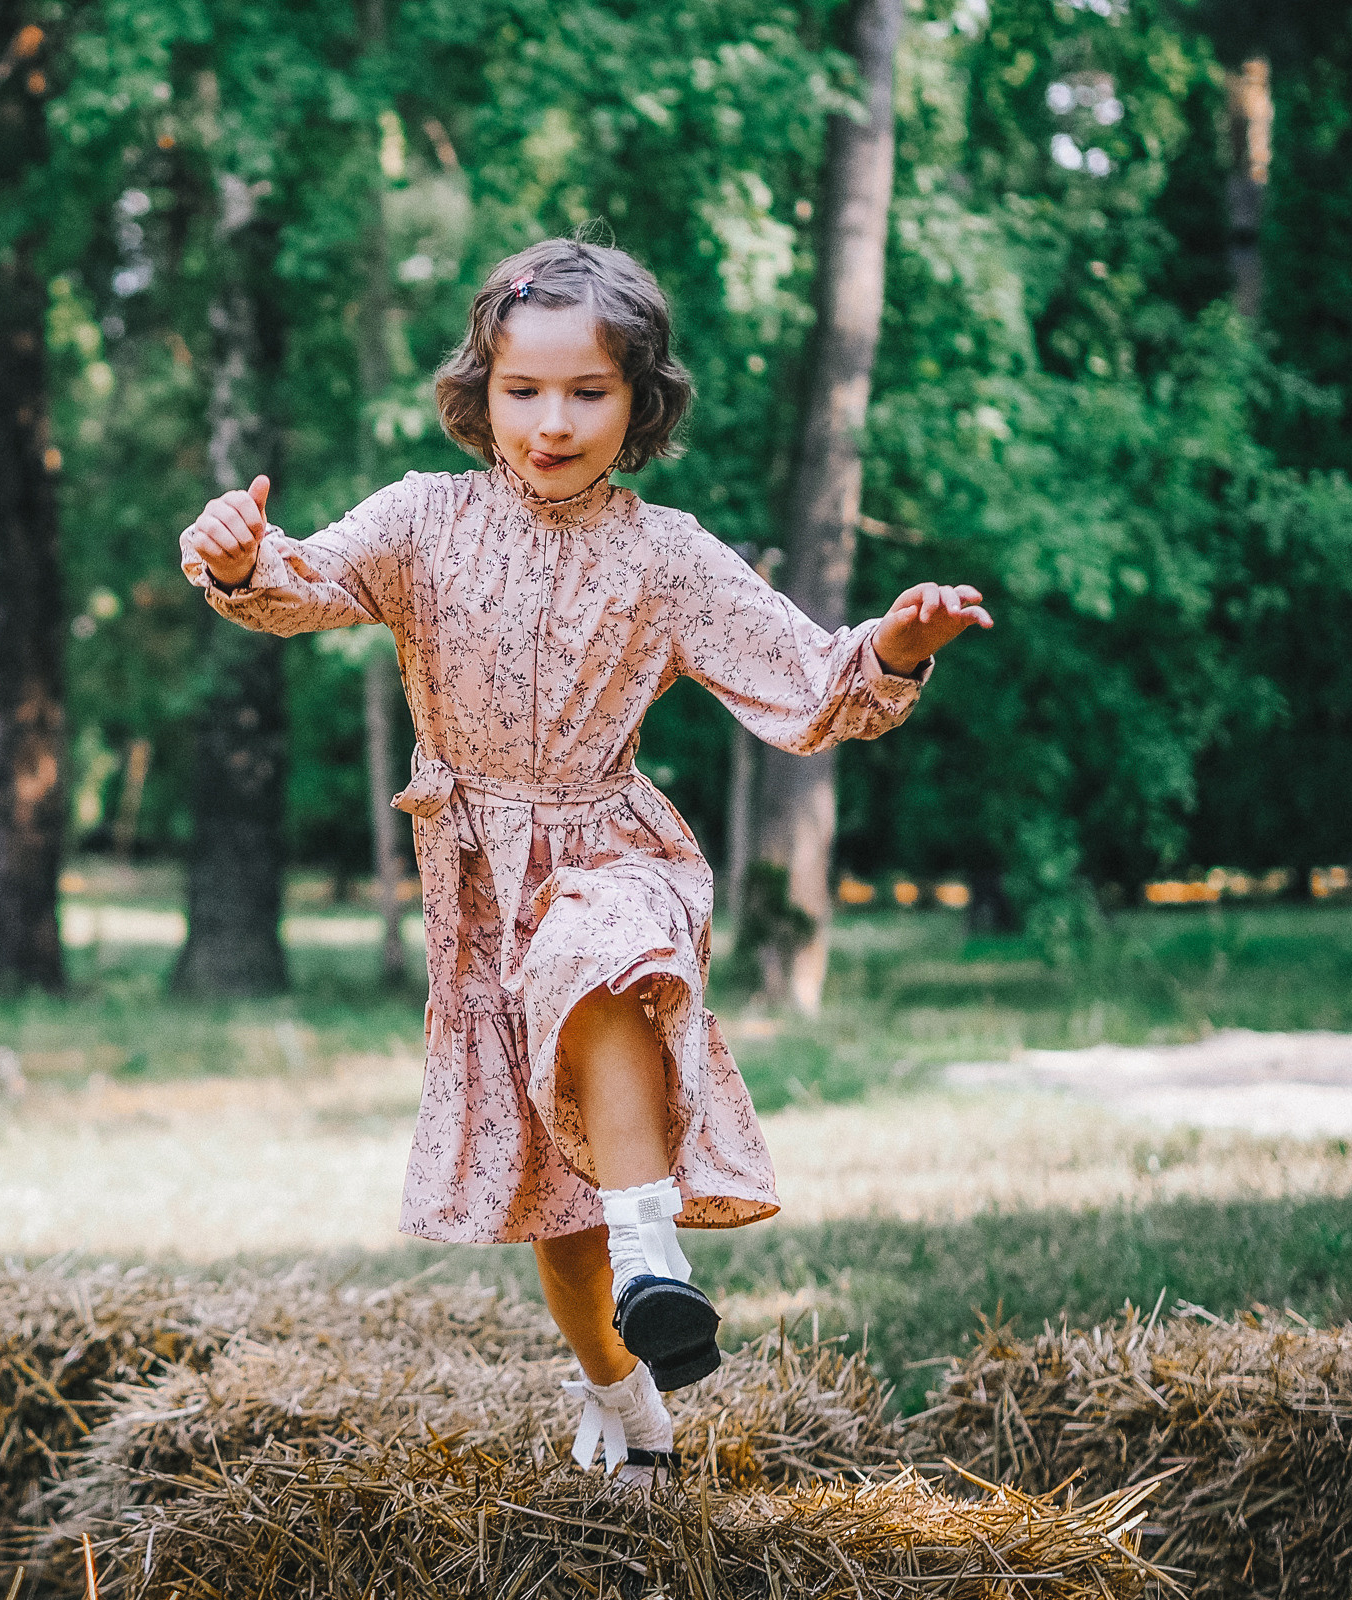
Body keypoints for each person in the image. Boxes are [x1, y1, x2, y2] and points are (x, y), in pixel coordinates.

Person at [177, 237, 991, 1485]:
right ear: (480, 390)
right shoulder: (421, 520)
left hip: (610, 851)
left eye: (588, 393)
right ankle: (632, 1399)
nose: (552, 422)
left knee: (603, 959)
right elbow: (302, 583)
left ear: (642, 401)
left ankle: (658, 1257)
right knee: (556, 1215)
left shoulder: (665, 554)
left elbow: (811, 680)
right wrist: (239, 558)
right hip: (481, 890)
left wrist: (893, 643)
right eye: (524, 391)